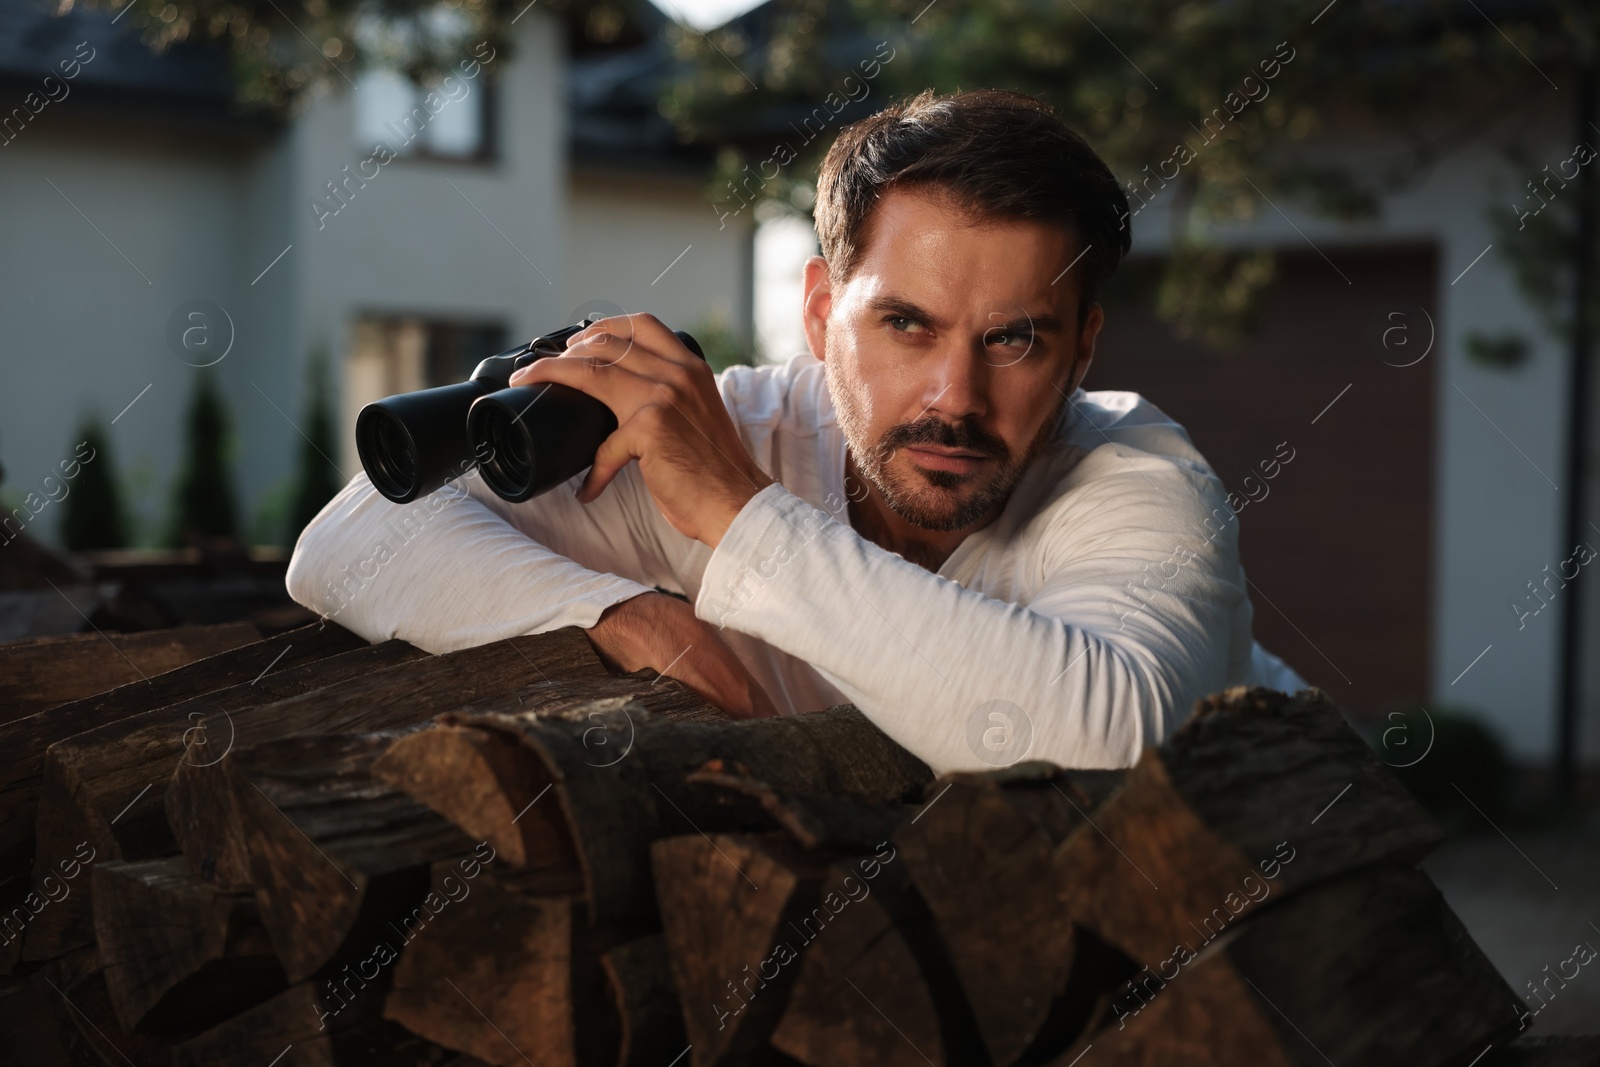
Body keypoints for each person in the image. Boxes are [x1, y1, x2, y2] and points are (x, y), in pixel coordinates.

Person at [286, 88, 1306, 774]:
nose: (955, 394)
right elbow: (352, 539)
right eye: (905, 323)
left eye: (1014, 339)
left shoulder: (1135, 476)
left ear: (1082, 349)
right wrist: (613, 615)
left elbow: (1105, 731)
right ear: (821, 313)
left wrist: (739, 515)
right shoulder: (732, 425)